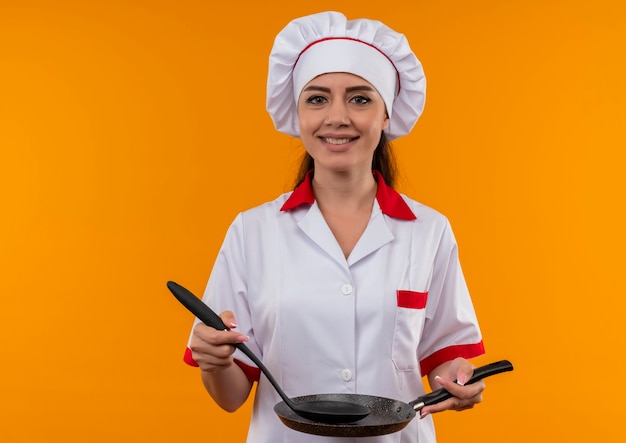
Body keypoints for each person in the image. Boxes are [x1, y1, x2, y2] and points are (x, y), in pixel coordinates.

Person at [184, 11, 486, 443]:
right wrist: (214, 361)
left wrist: (461, 380)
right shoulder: (252, 232)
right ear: (298, 114)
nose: (337, 117)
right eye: (317, 98)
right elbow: (231, 396)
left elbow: (447, 360)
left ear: (386, 115)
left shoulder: (429, 231)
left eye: (361, 99)